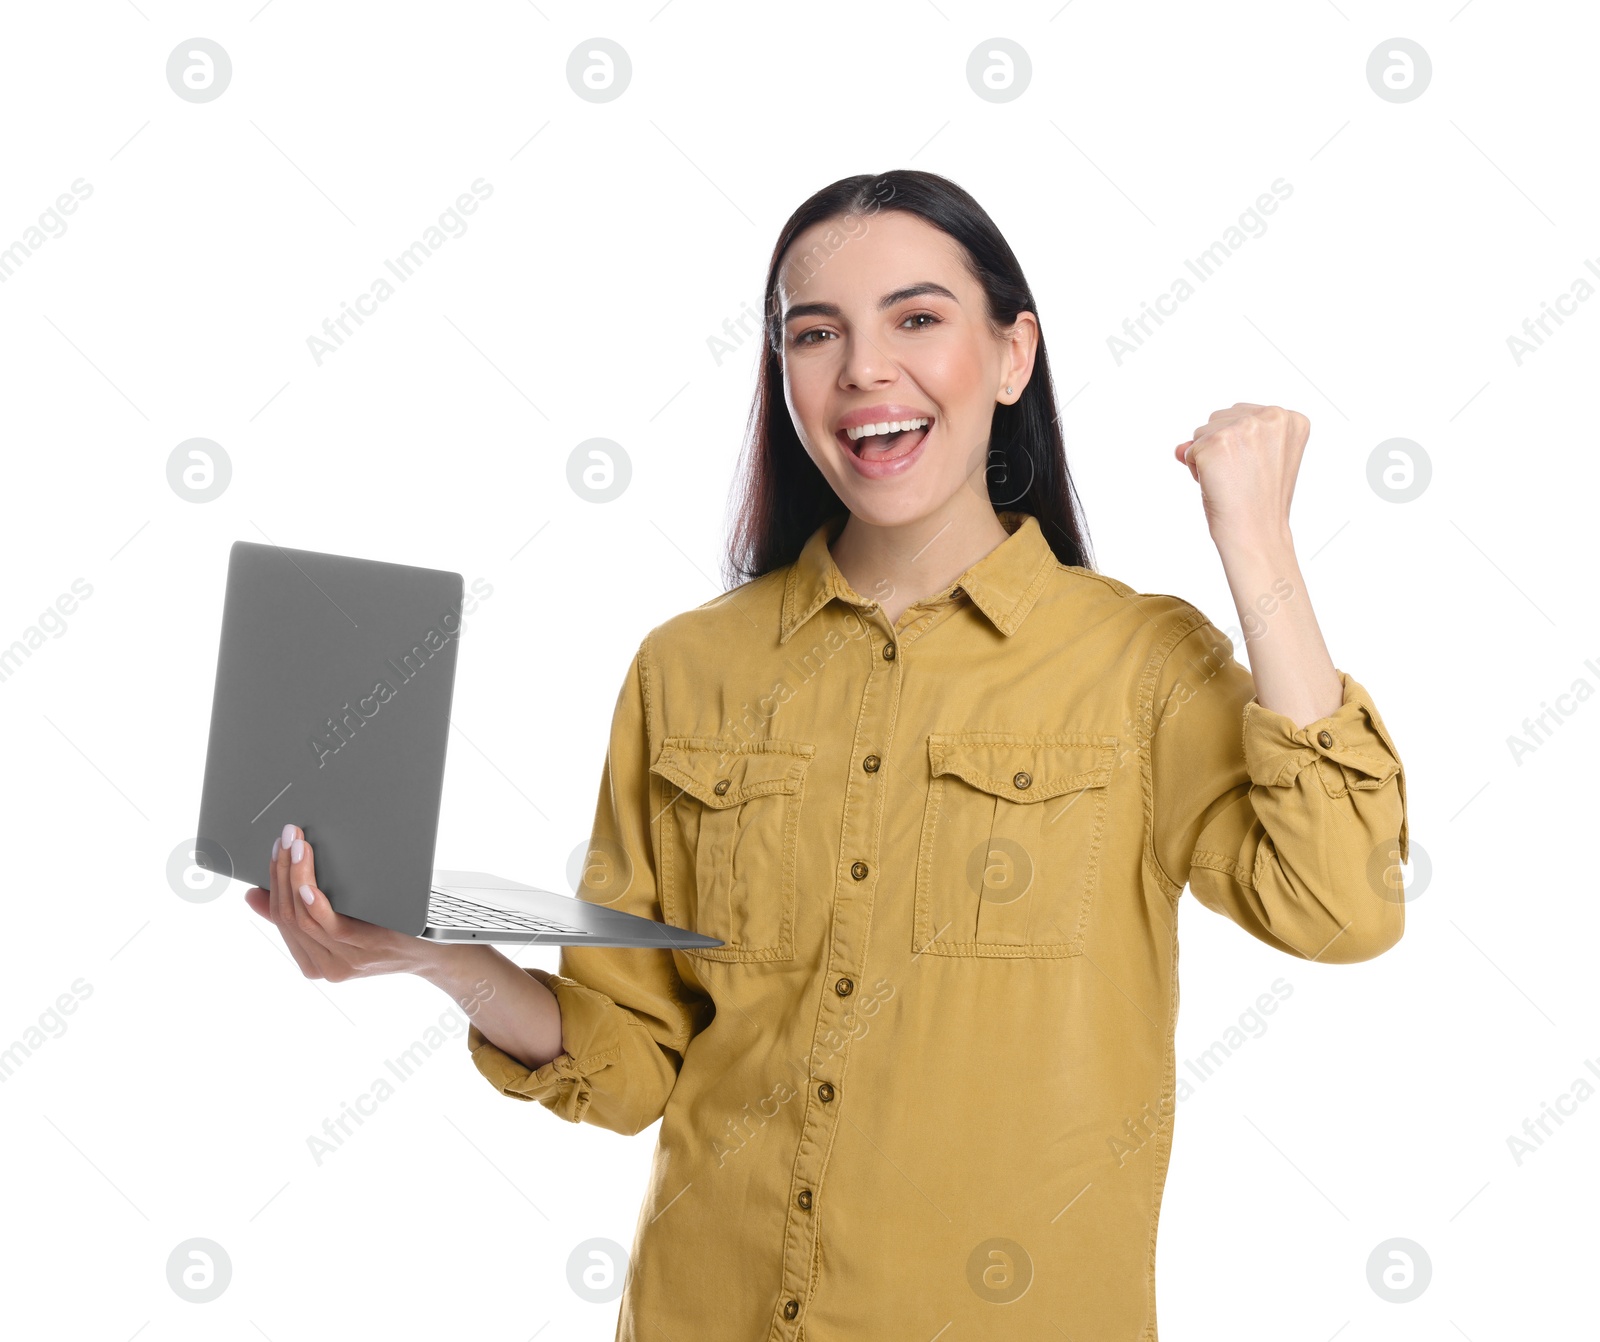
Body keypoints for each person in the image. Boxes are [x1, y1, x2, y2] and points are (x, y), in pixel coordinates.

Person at [248, 169, 1410, 1341]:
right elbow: (632, 1059)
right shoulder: (687, 667)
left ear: (1012, 358)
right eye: (816, 333)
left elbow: (1340, 905)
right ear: (785, 378)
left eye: (916, 319)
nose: (863, 369)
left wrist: (1255, 542)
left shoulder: (1140, 662)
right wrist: (425, 955)